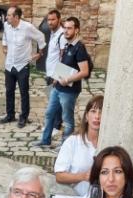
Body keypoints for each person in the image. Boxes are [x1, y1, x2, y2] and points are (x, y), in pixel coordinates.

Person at [35, 17, 91, 148]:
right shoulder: (66, 44)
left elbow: (84, 71)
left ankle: (65, 146)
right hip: (58, 87)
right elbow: (64, 64)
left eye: (69, 28)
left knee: (67, 120)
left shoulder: (79, 48)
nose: (66, 31)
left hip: (69, 91)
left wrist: (68, 79)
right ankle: (45, 140)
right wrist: (56, 78)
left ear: (76, 30)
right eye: (64, 28)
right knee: (49, 113)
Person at [0, 6, 45, 129]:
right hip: (9, 65)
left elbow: (41, 37)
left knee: (24, 92)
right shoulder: (6, 25)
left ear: (16, 17)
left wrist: (39, 53)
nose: (6, 17)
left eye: (9, 15)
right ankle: (10, 115)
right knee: (9, 91)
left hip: (22, 65)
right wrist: (4, 46)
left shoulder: (27, 27)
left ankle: (24, 117)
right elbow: (5, 37)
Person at [54, 94, 102, 196]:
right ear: (86, 116)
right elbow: (59, 176)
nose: (97, 116)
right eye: (93, 111)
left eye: (101, 112)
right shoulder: (73, 142)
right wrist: (84, 176)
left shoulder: (110, 143)